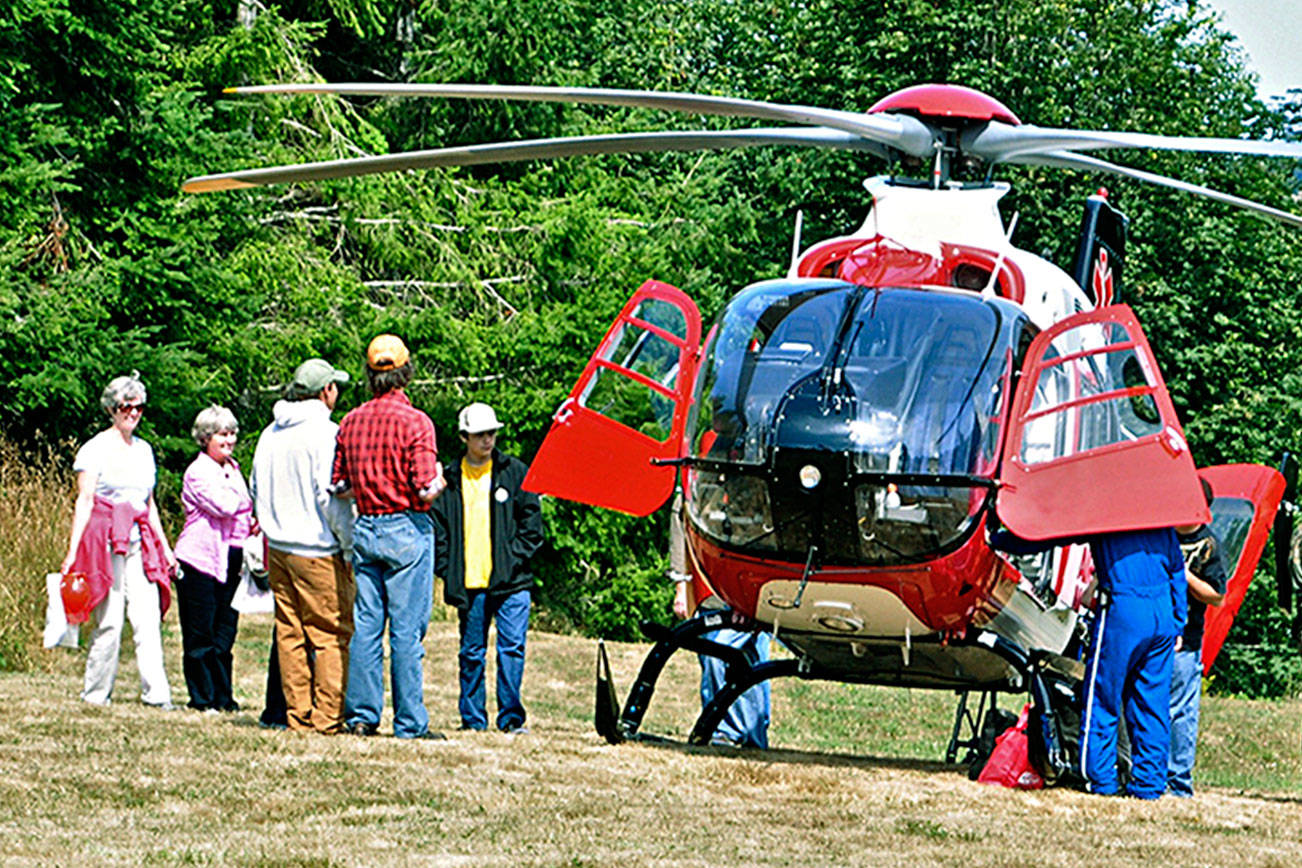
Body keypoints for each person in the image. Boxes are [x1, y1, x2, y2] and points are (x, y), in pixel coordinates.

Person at [993, 526, 1187, 797]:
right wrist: (1178, 622)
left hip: (1124, 608)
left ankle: (1101, 781)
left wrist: (999, 540)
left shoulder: (1106, 516)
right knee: (1152, 704)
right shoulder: (1161, 520)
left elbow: (1055, 534)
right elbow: (1177, 570)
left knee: (1102, 696)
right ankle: (1149, 785)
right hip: (1162, 612)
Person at [332, 335, 446, 739]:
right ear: (406, 372)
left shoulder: (350, 421)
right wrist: (441, 481)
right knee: (405, 631)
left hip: (366, 526)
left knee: (366, 626)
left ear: (370, 374)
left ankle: (362, 716)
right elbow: (424, 488)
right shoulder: (416, 422)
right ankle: (410, 722)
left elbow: (340, 485)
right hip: (406, 528)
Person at [251, 359, 357, 734]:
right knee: (329, 634)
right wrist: (348, 545)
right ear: (326, 391)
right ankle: (327, 717)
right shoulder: (326, 434)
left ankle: (298, 715)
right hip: (317, 547)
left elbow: (255, 487)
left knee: (290, 633)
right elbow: (331, 498)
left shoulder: (270, 433)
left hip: (279, 546)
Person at [60, 372, 176, 709]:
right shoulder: (95, 449)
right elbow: (85, 501)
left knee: (147, 617)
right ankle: (96, 693)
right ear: (112, 409)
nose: (133, 413)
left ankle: (157, 695)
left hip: (140, 541)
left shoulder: (144, 450)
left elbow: (148, 505)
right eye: (126, 407)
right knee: (109, 620)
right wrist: (72, 552)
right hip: (105, 542)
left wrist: (165, 548)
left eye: (139, 407)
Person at [434, 403, 543, 734]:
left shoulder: (515, 472)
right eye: (480, 434)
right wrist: (446, 566)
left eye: (492, 433)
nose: (487, 440)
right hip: (469, 582)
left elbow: (532, 526)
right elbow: (437, 528)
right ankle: (472, 720)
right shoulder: (450, 479)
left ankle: (511, 719)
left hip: (513, 582)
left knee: (512, 649)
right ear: (464, 437)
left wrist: (512, 558)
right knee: (471, 653)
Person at [669, 489, 771, 748]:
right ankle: (743, 736)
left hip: (748, 595)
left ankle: (729, 732)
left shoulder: (754, 491)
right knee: (723, 660)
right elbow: (680, 530)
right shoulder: (696, 492)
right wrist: (681, 587)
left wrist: (747, 599)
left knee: (733, 659)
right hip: (709, 597)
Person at [173, 405, 254, 712]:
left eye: (232, 433)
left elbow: (244, 509)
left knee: (225, 631)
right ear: (206, 437)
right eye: (222, 434)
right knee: (200, 632)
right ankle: (202, 698)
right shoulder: (197, 472)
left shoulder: (233, 468)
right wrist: (242, 500)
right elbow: (225, 506)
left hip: (232, 557)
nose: (229, 440)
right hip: (199, 559)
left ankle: (223, 697)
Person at [1169, 480, 1227, 797]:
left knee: (1180, 712)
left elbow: (1217, 595)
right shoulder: (1161, 533)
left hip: (1186, 639)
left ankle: (1178, 782)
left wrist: (1184, 574)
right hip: (1153, 634)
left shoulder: (1209, 544)